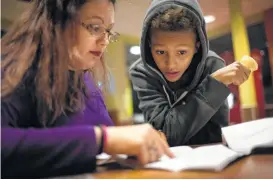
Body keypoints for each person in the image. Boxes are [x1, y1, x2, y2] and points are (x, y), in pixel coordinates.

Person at [1, 0, 173, 178]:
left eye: (108, 30)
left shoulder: (85, 80)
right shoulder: (13, 69)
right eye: (95, 27)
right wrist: (103, 139)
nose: (105, 41)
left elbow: (108, 146)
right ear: (57, 22)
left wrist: (136, 144)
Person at [130, 0, 251, 147]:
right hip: (163, 163)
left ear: (196, 47)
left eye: (182, 52)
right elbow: (165, 134)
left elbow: (214, 134)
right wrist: (213, 85)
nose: (171, 64)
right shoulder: (141, 72)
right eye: (160, 52)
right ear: (149, 46)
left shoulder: (213, 65)